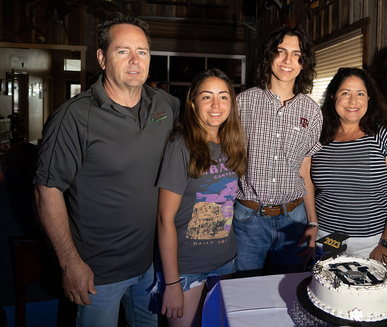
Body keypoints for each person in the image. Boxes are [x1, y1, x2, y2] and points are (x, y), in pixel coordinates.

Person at [34, 12, 180, 326]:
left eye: (142, 52)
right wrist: (70, 264)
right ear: (102, 58)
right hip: (97, 275)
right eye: (122, 51)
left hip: (150, 268)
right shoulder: (73, 117)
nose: (134, 60)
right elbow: (47, 192)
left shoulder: (164, 105)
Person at [156, 68, 246, 326]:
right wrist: (172, 283)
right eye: (207, 97)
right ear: (193, 103)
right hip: (186, 267)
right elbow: (165, 219)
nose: (216, 105)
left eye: (223, 96)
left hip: (226, 262)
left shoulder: (231, 143)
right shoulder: (181, 145)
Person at [233, 25, 322, 276]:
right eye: (281, 51)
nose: (287, 61)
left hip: (294, 221)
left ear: (304, 63)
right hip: (248, 219)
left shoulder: (312, 112)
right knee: (244, 294)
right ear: (269, 56)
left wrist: (313, 222)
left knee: (290, 293)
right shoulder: (242, 103)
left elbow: (305, 171)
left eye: (296, 54)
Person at [311, 67, 387, 264]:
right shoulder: (319, 139)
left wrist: (386, 244)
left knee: (367, 293)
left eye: (360, 94)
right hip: (328, 238)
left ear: (369, 99)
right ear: (332, 97)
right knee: (329, 291)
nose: (353, 101)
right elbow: (308, 187)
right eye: (345, 93)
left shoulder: (384, 137)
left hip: (370, 243)